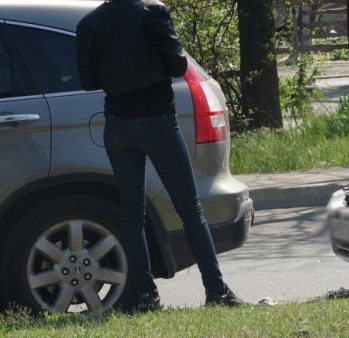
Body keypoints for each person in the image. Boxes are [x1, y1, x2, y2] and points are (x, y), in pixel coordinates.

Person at [76, 0, 244, 310]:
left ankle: (145, 295)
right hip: (157, 121)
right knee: (189, 208)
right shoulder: (151, 12)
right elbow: (178, 65)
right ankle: (216, 290)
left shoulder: (89, 23)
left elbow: (88, 81)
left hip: (118, 124)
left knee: (131, 212)